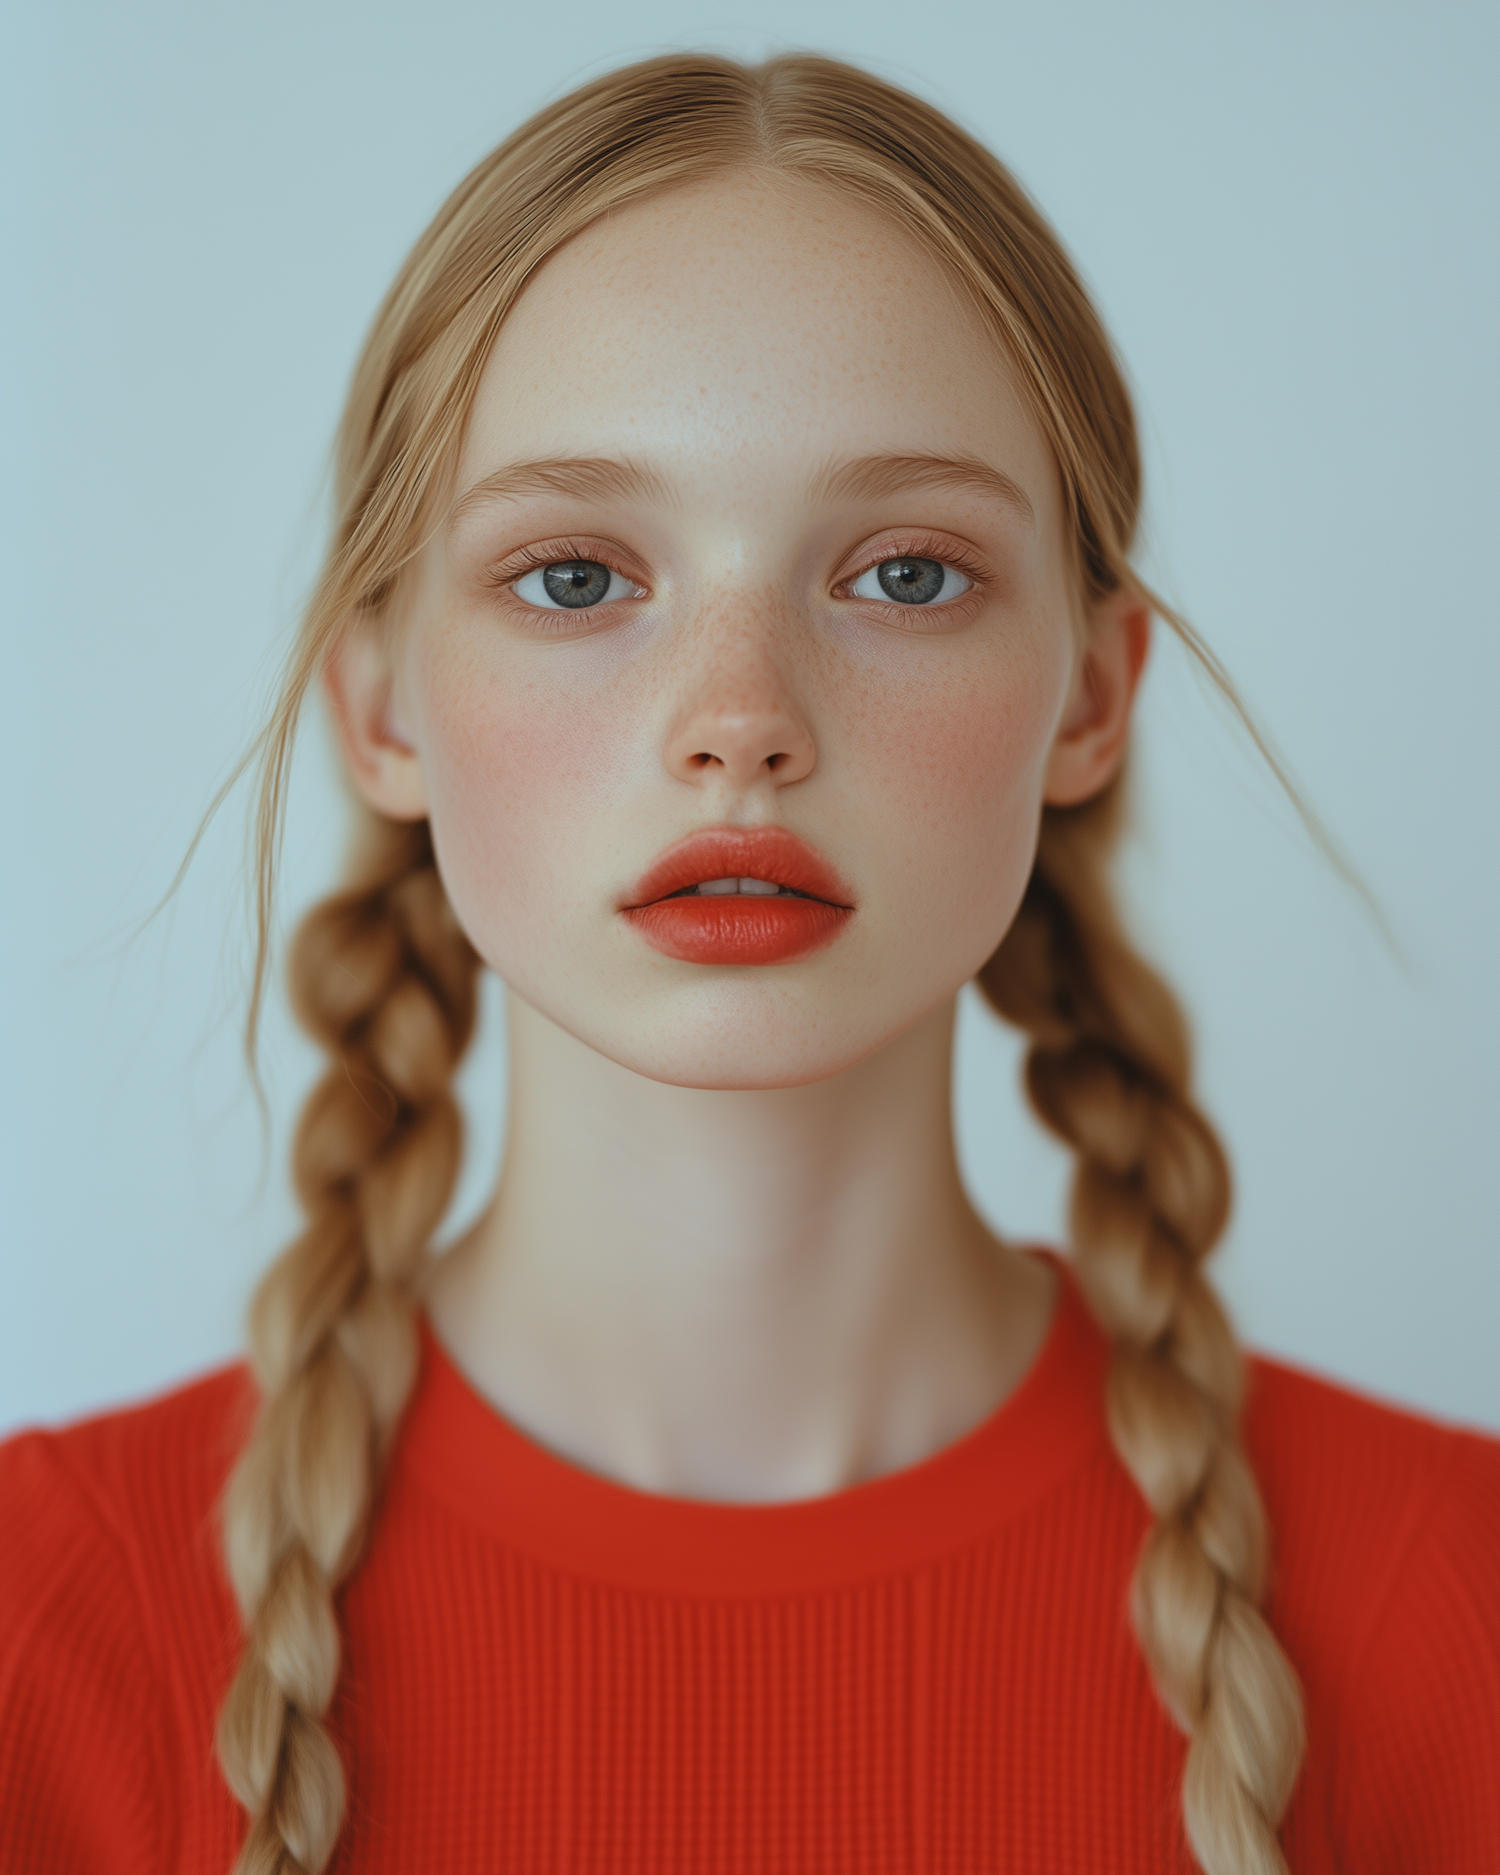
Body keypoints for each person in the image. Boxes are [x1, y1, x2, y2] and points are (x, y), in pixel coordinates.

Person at [1, 52, 1495, 1875]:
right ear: (381, 704)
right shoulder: (46, 1626)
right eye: (573, 577)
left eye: (905, 574)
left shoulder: (1454, 1607)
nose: (739, 723)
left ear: (1091, 696)